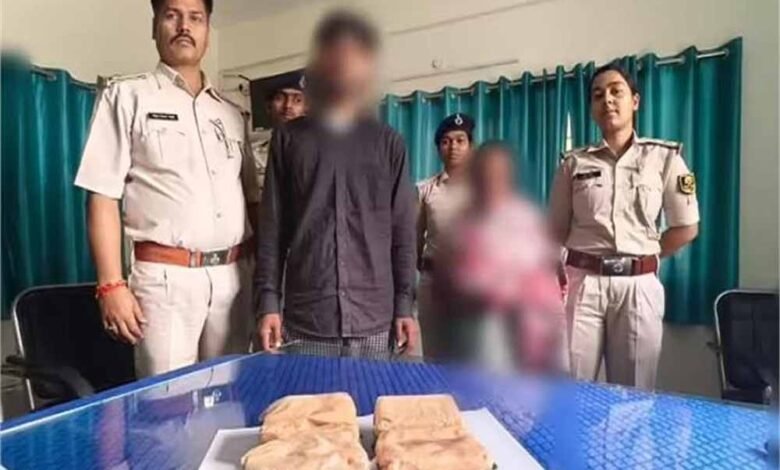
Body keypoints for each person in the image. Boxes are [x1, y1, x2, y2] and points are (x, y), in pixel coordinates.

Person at [74, 0, 258, 377]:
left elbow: (252, 201)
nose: (184, 26)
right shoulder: (127, 96)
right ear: (155, 26)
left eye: (195, 18)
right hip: (166, 280)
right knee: (167, 401)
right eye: (172, 15)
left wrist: (264, 280)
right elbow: (102, 194)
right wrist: (110, 285)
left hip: (235, 278)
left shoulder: (232, 113)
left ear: (207, 30)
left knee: (230, 393)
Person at [254, 10, 419, 356]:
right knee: (306, 395)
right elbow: (272, 230)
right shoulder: (288, 140)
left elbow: (403, 232)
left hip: (375, 319)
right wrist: (268, 301)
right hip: (308, 320)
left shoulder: (389, 143)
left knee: (372, 395)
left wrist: (404, 305)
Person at [548, 63, 700, 390]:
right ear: (591, 108)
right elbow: (555, 231)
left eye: (616, 91)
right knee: (571, 388)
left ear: (635, 101)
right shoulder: (573, 163)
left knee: (634, 395)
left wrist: (644, 257)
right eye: (597, 95)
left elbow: (686, 227)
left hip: (638, 286)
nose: (607, 100)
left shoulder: (667, 158)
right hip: (583, 283)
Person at [432, 142, 566, 372]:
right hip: (473, 327)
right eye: (485, 173)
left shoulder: (527, 219)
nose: (491, 180)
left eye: (499, 173)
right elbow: (449, 282)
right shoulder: (460, 224)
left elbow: (544, 282)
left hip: (526, 328)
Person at [416, 113, 475, 357]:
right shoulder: (425, 190)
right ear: (438, 149)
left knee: (471, 359)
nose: (453, 147)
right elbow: (413, 240)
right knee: (435, 357)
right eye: (446, 141)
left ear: (471, 146)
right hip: (434, 284)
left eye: (460, 140)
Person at [250, 70, 307, 200]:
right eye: (280, 98)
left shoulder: (322, 151)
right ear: (268, 106)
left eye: (297, 100)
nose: (288, 106)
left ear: (307, 108)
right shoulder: (252, 155)